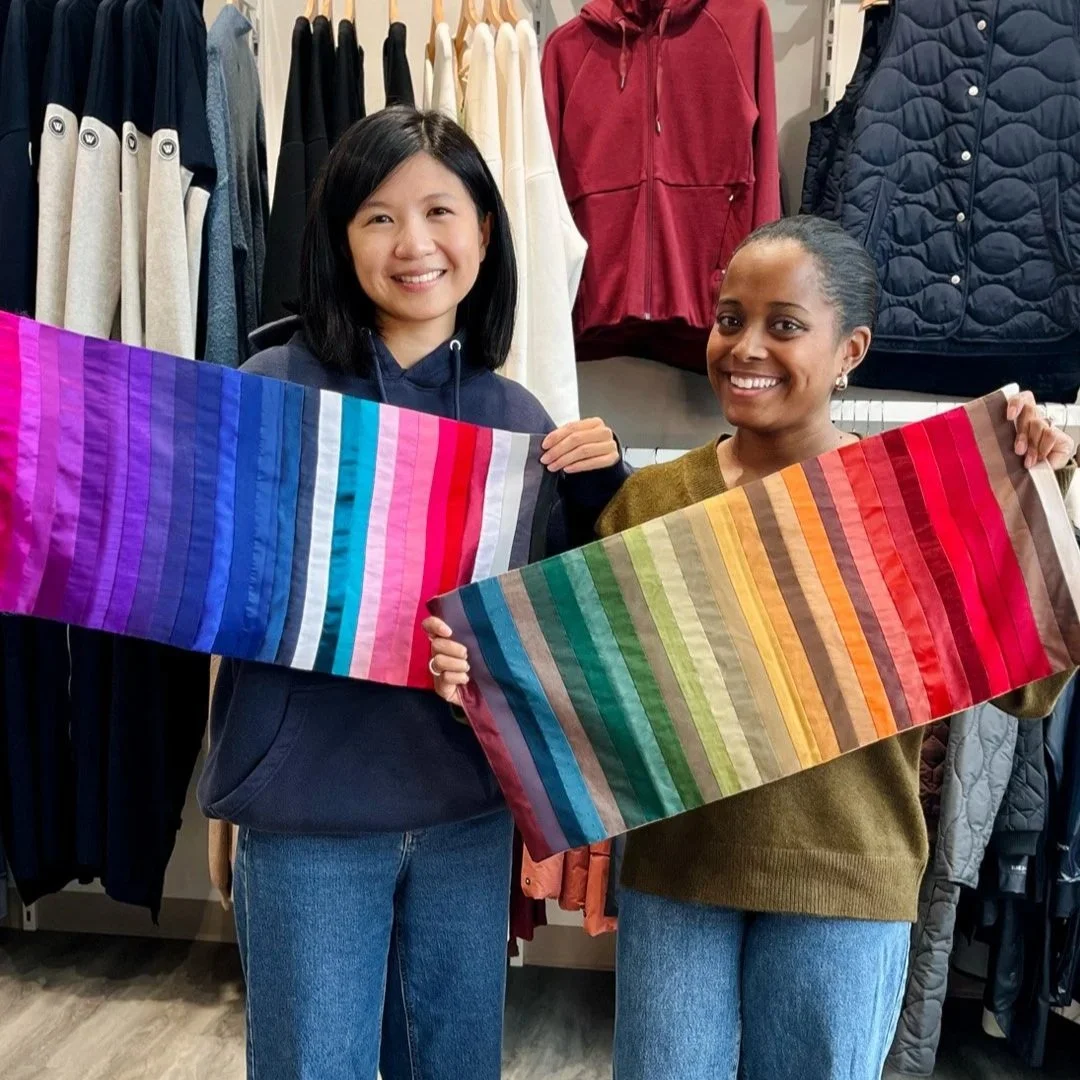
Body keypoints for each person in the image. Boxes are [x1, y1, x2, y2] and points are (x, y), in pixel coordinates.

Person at [425, 215, 1077, 1080]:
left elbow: (1032, 689)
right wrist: (475, 671)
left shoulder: (908, 507)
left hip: (847, 885)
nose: (746, 347)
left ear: (850, 350)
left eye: (785, 324)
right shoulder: (652, 501)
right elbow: (588, 691)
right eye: (729, 318)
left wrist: (1036, 494)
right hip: (677, 880)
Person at [198, 107, 629, 1080]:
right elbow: (217, 590)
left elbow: (566, 644)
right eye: (379, 217)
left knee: (454, 1062)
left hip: (463, 816)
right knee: (314, 1065)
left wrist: (600, 491)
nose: (414, 244)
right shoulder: (272, 386)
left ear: (485, 230)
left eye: (440, 211)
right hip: (307, 812)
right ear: (340, 237)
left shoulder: (521, 422)